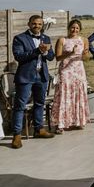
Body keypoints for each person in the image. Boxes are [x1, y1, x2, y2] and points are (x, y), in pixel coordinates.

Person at [10, 15, 56, 148]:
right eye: (34, 24)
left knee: (40, 103)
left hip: (41, 76)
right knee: (20, 106)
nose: (37, 26)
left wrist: (46, 53)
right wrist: (37, 51)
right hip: (25, 77)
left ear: (42, 25)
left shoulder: (46, 38)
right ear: (29, 24)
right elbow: (19, 57)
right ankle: (17, 135)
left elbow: (51, 57)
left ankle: (39, 129)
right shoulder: (19, 38)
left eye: (40, 24)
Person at [51, 19, 91, 134]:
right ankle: (61, 123)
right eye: (73, 27)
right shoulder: (62, 40)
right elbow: (58, 58)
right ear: (69, 28)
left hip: (79, 70)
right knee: (64, 95)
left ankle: (78, 121)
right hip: (66, 71)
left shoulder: (84, 40)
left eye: (77, 28)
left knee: (79, 94)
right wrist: (70, 53)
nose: (75, 30)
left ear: (80, 29)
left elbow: (86, 59)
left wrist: (85, 55)